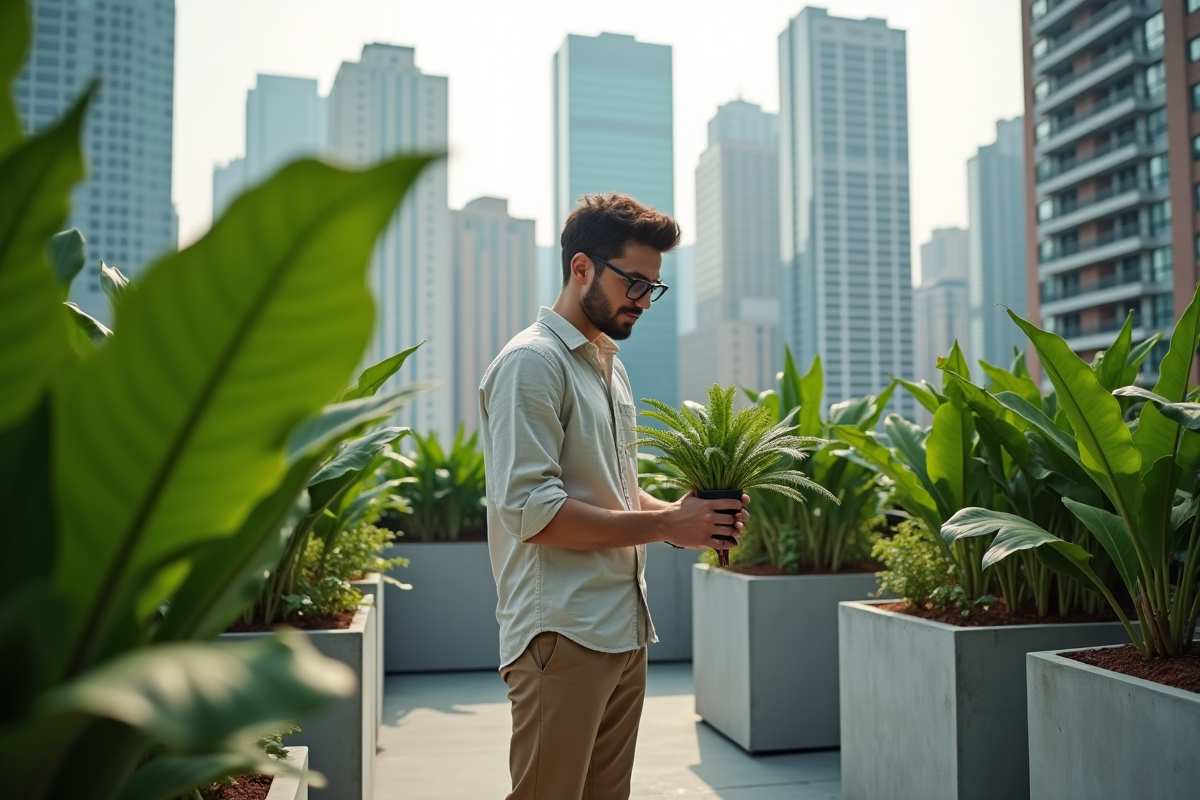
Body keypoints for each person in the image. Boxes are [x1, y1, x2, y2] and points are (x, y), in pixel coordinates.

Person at [478, 193, 750, 800]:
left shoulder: (608, 364)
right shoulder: (532, 363)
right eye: (634, 282)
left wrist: (688, 518)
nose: (644, 300)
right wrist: (664, 527)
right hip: (562, 633)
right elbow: (532, 513)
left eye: (654, 287)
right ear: (581, 268)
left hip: (623, 629)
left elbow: (618, 492)